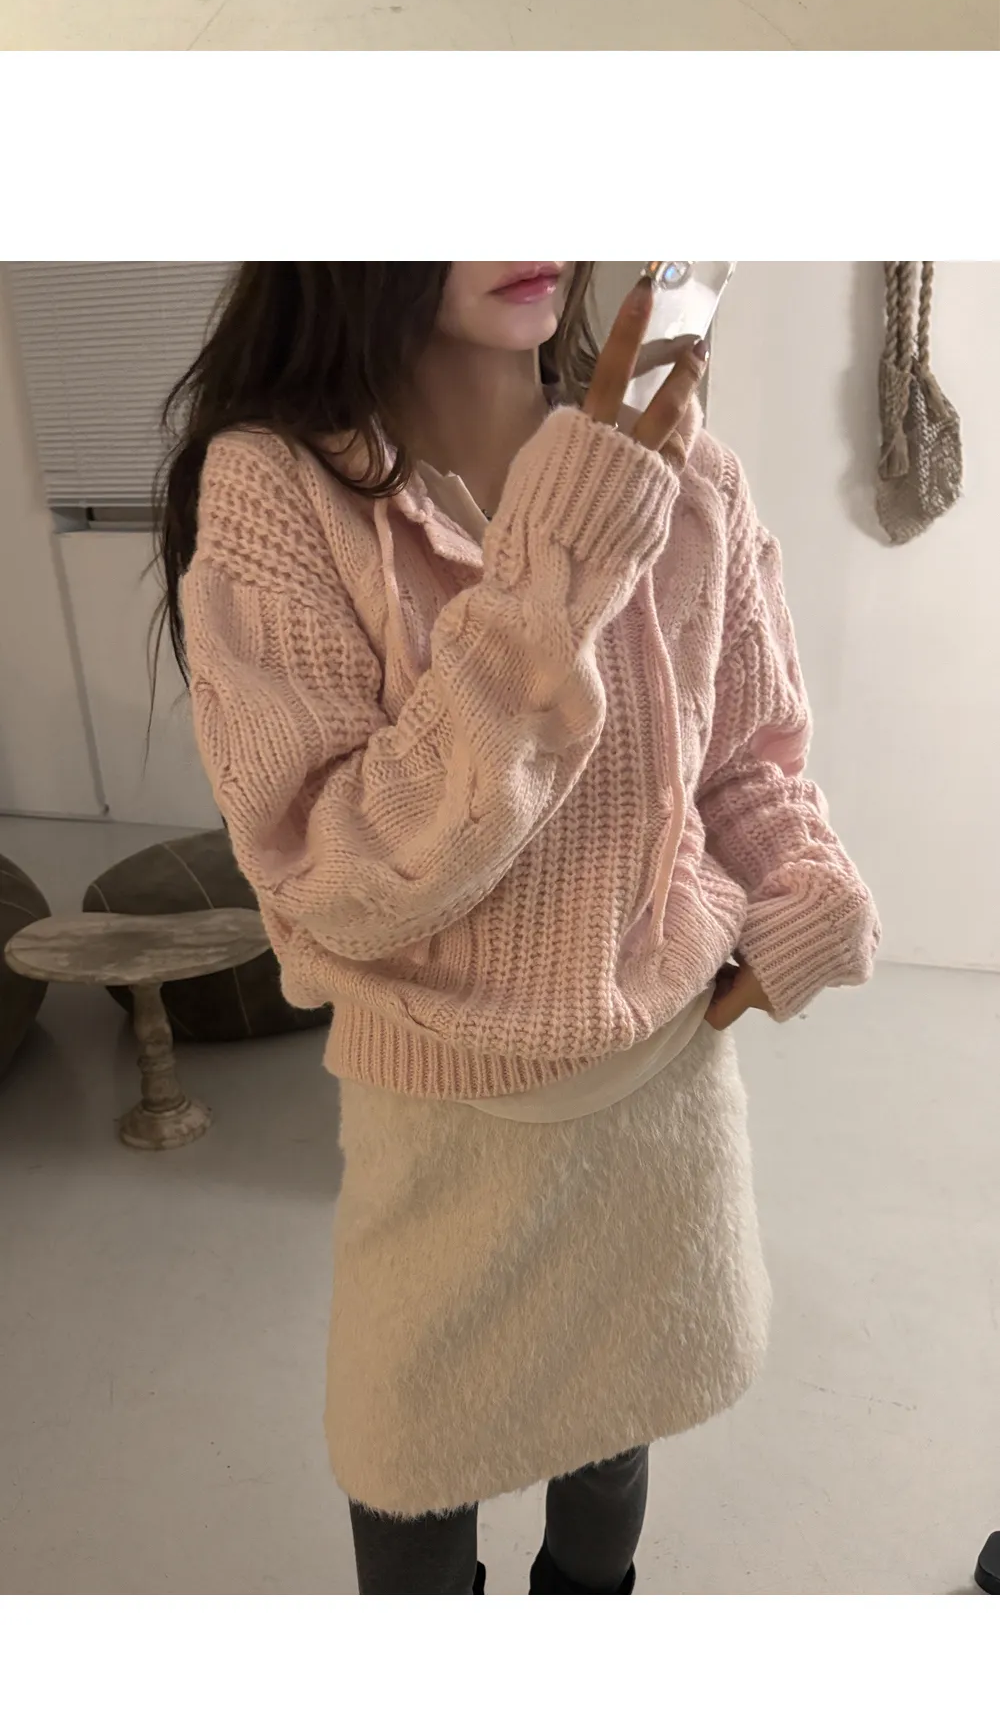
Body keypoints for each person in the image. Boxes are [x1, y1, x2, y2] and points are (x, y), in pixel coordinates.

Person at [161, 251, 880, 1585]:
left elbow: (744, 757)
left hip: (659, 1094)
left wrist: (804, 880)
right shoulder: (278, 490)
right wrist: (564, 559)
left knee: (610, 1447)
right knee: (412, 1477)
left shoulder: (694, 477)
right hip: (446, 1121)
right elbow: (339, 874)